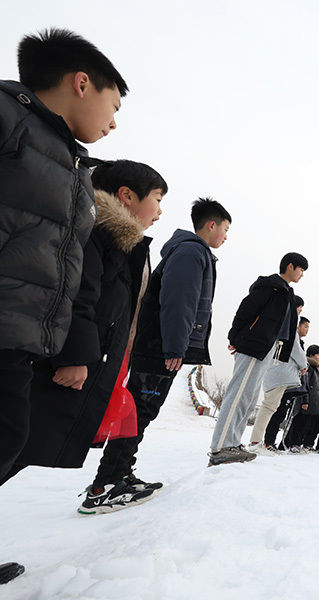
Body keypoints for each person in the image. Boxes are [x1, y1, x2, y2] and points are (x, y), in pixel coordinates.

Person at [0, 26, 127, 587]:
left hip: (20, 332)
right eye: (114, 104)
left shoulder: (72, 164)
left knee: (9, 435)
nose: (114, 121)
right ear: (82, 83)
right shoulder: (8, 120)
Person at [4, 160, 160, 515]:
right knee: (18, 440)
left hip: (79, 361)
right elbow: (78, 295)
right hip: (60, 362)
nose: (160, 210)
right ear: (126, 195)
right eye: (157, 198)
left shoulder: (117, 241)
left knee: (22, 443)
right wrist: (76, 356)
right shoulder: (95, 234)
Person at [85, 197, 230, 501]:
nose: (226, 237)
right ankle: (107, 485)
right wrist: (175, 346)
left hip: (158, 345)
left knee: (141, 412)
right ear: (212, 224)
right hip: (159, 347)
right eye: (225, 230)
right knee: (140, 412)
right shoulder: (192, 252)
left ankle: (117, 474)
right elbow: (179, 302)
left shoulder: (190, 251)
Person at [208, 253, 306, 466]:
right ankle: (220, 447)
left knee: (249, 398)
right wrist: (235, 337)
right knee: (238, 394)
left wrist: (280, 355)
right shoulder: (270, 287)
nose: (301, 275)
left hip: (267, 350)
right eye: (300, 270)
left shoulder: (287, 293)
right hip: (253, 345)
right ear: (290, 266)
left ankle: (233, 443)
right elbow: (246, 311)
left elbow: (286, 331)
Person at [249, 314, 307, 454]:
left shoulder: (284, 324)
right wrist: (304, 364)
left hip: (278, 373)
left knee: (271, 407)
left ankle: (260, 442)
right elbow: (295, 350)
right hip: (278, 374)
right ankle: (256, 442)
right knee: (269, 407)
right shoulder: (289, 325)